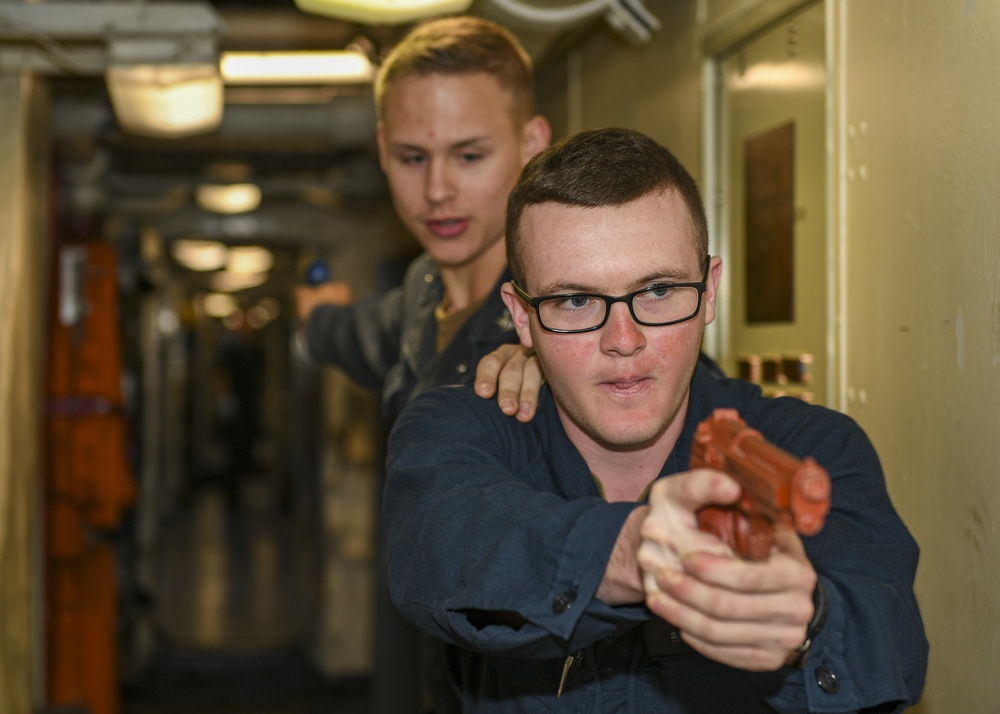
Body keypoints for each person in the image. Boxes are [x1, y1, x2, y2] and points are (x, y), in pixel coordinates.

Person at [383, 128, 928, 712]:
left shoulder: (812, 447)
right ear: (521, 316)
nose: (625, 340)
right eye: (575, 301)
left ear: (710, 289)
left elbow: (891, 639)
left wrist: (806, 620)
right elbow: (444, 542)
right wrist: (631, 552)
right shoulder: (456, 429)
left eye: (660, 290)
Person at [294, 17, 551, 713]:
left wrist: (563, 371)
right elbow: (354, 335)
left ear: (531, 145)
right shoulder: (420, 295)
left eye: (469, 156)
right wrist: (314, 317)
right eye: (412, 158)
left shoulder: (573, 329)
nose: (437, 190)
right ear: (382, 150)